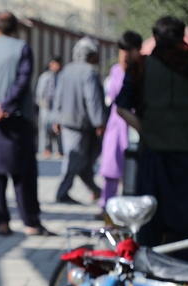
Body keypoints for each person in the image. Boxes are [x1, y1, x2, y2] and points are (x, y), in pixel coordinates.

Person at [117, 16, 188, 261]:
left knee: (153, 218)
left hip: (155, 156)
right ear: (182, 36)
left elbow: (121, 108)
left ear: (156, 38)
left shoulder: (141, 68)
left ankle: (154, 267)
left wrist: (147, 130)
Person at [0, 12, 53, 236]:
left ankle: (1, 223)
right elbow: (23, 81)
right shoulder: (23, 49)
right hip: (16, 120)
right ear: (16, 29)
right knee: (23, 175)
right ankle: (31, 223)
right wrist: (3, 106)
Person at [52, 36, 106, 205]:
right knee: (75, 160)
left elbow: (57, 96)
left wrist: (56, 118)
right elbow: (92, 99)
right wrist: (99, 122)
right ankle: (62, 193)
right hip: (81, 125)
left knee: (83, 161)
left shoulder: (67, 70)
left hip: (67, 123)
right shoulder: (89, 71)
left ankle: (96, 191)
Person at [98, 31, 142, 216]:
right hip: (116, 127)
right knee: (111, 171)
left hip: (136, 125)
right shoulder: (115, 72)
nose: (126, 55)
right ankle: (107, 209)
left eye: (130, 50)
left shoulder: (144, 70)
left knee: (135, 175)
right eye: (122, 50)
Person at [35, 56, 63, 158]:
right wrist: (42, 104)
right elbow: (39, 94)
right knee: (44, 129)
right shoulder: (44, 77)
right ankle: (46, 149)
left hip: (57, 108)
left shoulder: (61, 77)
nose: (57, 66)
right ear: (50, 64)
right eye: (55, 63)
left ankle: (58, 149)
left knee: (58, 128)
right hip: (46, 107)